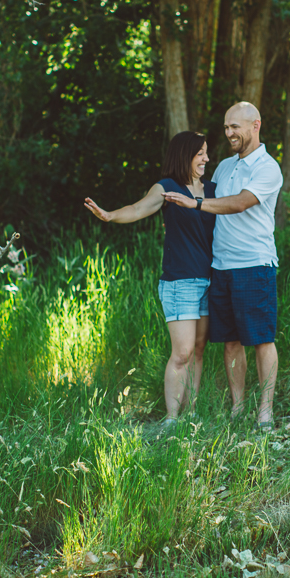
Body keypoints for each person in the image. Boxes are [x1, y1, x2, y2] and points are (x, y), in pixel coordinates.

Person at [162, 102, 283, 431]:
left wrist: (196, 203)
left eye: (235, 127)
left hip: (254, 264)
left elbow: (240, 202)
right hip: (221, 267)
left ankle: (265, 412)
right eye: (226, 127)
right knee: (230, 341)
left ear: (255, 125)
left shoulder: (268, 168)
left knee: (261, 339)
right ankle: (237, 407)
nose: (229, 133)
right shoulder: (225, 167)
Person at [84, 131, 215, 426]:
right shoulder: (167, 187)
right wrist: (109, 215)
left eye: (206, 152)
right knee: (182, 352)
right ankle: (171, 419)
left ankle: (191, 415)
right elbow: (139, 208)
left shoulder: (213, 189)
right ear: (185, 156)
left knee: (198, 350)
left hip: (209, 280)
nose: (207, 158)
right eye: (200, 154)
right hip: (180, 282)